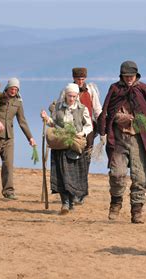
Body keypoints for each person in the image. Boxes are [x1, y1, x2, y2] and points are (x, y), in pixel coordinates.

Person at [97, 60, 146, 224]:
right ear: (122, 76)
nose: (129, 79)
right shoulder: (115, 89)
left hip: (139, 139)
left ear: (136, 75)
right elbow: (108, 112)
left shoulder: (145, 90)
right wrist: (121, 119)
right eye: (126, 76)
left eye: (131, 76)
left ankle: (137, 211)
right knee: (117, 173)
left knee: (140, 177)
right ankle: (116, 202)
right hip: (119, 138)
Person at [41, 83, 93, 215]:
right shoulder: (58, 107)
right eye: (69, 96)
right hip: (60, 144)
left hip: (75, 144)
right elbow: (53, 122)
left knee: (71, 177)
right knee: (61, 175)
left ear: (76, 96)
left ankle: (71, 202)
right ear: (65, 95)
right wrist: (46, 118)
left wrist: (81, 133)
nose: (71, 99)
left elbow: (89, 126)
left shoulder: (82, 109)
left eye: (74, 96)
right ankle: (65, 203)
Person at [0, 78, 36, 199]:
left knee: (8, 165)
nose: (14, 91)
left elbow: (22, 122)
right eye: (12, 88)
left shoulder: (18, 103)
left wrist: (30, 137)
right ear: (7, 88)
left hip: (9, 138)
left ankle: (8, 191)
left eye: (16, 89)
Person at [57, 67, 104, 204]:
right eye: (78, 79)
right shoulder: (68, 91)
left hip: (88, 131)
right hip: (71, 131)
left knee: (85, 161)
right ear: (74, 78)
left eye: (82, 79)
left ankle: (81, 192)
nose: (80, 81)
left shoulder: (90, 90)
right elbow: (60, 107)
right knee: (72, 160)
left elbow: (97, 109)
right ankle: (73, 191)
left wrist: (102, 129)